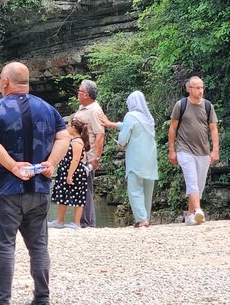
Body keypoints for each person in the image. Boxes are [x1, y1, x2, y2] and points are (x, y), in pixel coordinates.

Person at [0, 61, 69, 305]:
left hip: (5, 191)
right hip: (39, 189)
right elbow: (64, 136)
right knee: (39, 247)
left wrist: (12, 166)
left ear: (6, 83)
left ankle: (1, 300)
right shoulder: (47, 108)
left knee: (3, 248)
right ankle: (42, 298)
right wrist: (51, 162)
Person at [100, 90, 159, 227]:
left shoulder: (130, 115)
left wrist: (120, 144)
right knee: (147, 190)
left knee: (134, 189)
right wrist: (111, 123)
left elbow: (124, 136)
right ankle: (146, 218)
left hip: (136, 158)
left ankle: (141, 219)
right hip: (150, 158)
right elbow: (129, 126)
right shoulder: (148, 118)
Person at [168, 76, 219, 225]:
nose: (200, 90)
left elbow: (214, 129)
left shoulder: (208, 106)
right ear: (189, 89)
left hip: (203, 151)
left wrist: (215, 150)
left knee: (199, 184)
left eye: (202, 87)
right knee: (192, 180)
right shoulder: (181, 105)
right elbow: (172, 128)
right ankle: (198, 210)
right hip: (184, 149)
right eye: (197, 88)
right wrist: (172, 150)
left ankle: (190, 215)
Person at [48, 115, 90, 229]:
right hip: (66, 170)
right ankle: (59, 220)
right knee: (63, 194)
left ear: (74, 128)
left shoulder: (77, 142)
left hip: (74, 172)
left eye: (68, 125)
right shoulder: (72, 140)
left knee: (78, 196)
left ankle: (76, 223)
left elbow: (75, 159)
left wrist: (70, 174)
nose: (66, 127)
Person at [75, 78, 105, 227]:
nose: (78, 93)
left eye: (79, 90)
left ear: (86, 94)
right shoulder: (83, 108)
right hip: (80, 156)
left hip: (88, 157)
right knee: (81, 187)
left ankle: (87, 222)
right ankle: (84, 221)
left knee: (85, 188)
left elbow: (100, 135)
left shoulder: (94, 110)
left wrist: (96, 158)